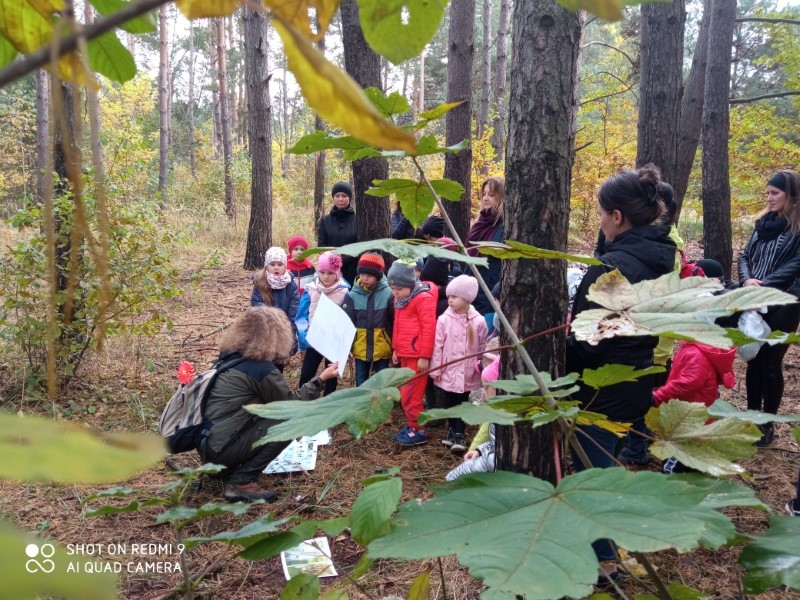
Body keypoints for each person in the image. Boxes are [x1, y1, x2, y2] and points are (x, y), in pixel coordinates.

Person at [567, 164, 676, 577]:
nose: (599, 222)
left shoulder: (611, 269)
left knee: (591, 473)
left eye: (600, 214)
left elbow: (588, 341)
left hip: (602, 387)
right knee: (605, 463)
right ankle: (608, 547)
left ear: (616, 216)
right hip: (636, 377)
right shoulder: (660, 258)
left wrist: (554, 351)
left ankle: (604, 560)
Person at [203, 306, 339, 502]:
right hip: (221, 449)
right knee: (289, 424)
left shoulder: (229, 357)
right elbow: (291, 405)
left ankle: (227, 469)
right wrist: (321, 380)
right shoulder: (260, 369)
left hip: (209, 447)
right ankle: (241, 481)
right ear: (277, 336)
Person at [738, 169, 800, 447]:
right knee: (754, 360)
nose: (769, 198)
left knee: (771, 363)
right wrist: (746, 280)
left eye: (775, 193)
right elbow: (745, 255)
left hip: (785, 302)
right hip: (755, 298)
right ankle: (752, 419)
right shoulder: (763, 223)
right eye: (768, 193)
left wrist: (764, 284)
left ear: (792, 195)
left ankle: (767, 426)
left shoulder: (797, 228)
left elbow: (796, 264)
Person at [654, 336, 736, 474]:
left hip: (688, 415)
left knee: (677, 457)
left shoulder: (696, 354)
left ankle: (672, 477)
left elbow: (685, 384)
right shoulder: (699, 347)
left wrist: (658, 397)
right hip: (693, 411)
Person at [429, 275, 489, 452]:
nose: (450, 300)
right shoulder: (444, 319)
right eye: (449, 296)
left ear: (467, 298)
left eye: (454, 297)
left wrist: (481, 366)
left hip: (467, 370)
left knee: (463, 400)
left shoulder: (478, 321)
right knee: (449, 399)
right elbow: (438, 345)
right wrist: (436, 368)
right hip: (449, 369)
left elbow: (483, 346)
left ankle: (459, 433)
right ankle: (451, 431)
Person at [388, 259, 437, 446]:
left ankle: (419, 429)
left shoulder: (423, 299)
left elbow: (428, 329)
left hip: (417, 357)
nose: (395, 292)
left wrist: (424, 356)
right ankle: (412, 425)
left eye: (399, 289)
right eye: (392, 288)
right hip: (405, 354)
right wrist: (395, 348)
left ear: (410, 284)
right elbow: (397, 325)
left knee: (412, 394)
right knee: (405, 391)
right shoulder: (401, 299)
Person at [297, 252, 351, 396]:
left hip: (333, 340)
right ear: (318, 271)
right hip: (314, 338)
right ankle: (303, 398)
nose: (326, 276)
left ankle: (329, 399)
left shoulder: (344, 291)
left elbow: (348, 318)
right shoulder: (310, 289)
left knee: (331, 374)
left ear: (337, 273)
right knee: (307, 372)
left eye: (330, 273)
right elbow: (301, 316)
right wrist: (304, 337)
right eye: (322, 272)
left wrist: (344, 342)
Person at [342, 253, 394, 386]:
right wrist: (348, 345)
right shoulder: (352, 295)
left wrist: (393, 344)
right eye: (362, 274)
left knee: (382, 382)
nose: (365, 278)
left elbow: (393, 320)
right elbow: (348, 323)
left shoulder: (388, 294)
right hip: (361, 347)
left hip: (381, 346)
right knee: (361, 381)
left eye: (369, 275)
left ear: (378, 276)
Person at [250, 247, 300, 363]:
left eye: (280, 264)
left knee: (279, 359)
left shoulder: (290, 284)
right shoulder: (260, 282)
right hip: (265, 327)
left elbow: (294, 309)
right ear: (266, 266)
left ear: (285, 266)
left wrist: (290, 330)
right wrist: (271, 320)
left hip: (284, 327)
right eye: (272, 264)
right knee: (264, 357)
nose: (276, 267)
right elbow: (256, 304)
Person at [467, 176, 505, 315]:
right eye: (484, 194)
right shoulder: (479, 223)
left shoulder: (504, 227)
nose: (486, 198)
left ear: (502, 197)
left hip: (488, 294)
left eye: (492, 195)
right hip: (471, 289)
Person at [318, 181, 358, 285]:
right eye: (337, 196)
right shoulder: (325, 220)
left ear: (349, 197)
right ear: (333, 198)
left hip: (352, 268)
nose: (340, 199)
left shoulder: (358, 220)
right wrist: (332, 261)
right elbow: (321, 245)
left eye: (344, 196)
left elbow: (359, 245)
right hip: (330, 270)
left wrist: (341, 260)